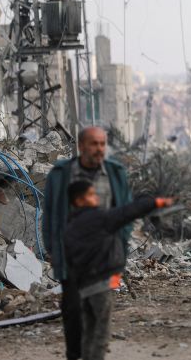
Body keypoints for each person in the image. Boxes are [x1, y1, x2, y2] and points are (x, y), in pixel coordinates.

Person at [42, 126, 132, 360]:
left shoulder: (116, 173)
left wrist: (121, 246)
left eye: (102, 144)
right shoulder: (61, 174)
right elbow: (50, 214)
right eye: (94, 144)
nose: (99, 149)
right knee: (73, 313)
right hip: (73, 259)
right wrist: (53, 249)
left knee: (100, 315)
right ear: (81, 146)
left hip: (104, 259)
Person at [64, 180, 174, 360]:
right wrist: (155, 202)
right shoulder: (99, 218)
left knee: (88, 328)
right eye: (91, 195)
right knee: (101, 329)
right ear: (79, 200)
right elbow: (128, 212)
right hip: (99, 283)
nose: (95, 198)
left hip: (81, 286)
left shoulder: (70, 224)